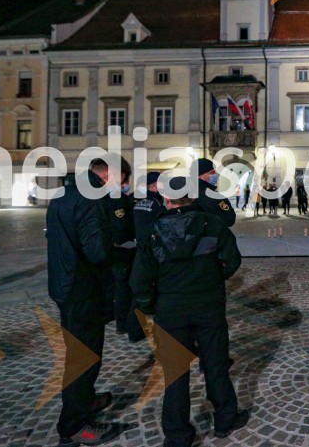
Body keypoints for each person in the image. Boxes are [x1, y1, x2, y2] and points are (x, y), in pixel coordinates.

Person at [132, 176, 249, 444]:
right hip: (208, 306)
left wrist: (150, 304)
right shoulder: (213, 224)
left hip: (170, 309)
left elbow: (139, 279)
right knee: (215, 364)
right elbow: (232, 260)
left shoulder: (153, 231)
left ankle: (177, 435)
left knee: (175, 372)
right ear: (192, 197)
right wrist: (215, 278)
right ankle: (225, 418)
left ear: (166, 199)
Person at [46, 162, 120, 445]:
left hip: (64, 284)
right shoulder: (91, 199)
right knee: (84, 357)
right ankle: (73, 426)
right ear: (104, 175)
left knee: (79, 351)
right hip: (83, 287)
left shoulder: (62, 195)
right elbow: (97, 251)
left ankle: (86, 400)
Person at [105, 157, 141, 338]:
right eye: (124, 179)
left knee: (121, 289)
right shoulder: (115, 198)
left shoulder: (114, 196)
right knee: (125, 289)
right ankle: (125, 324)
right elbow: (120, 226)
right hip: (123, 251)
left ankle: (123, 322)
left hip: (119, 250)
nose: (126, 183)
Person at [191, 158, 236, 227]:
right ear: (200, 176)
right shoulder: (210, 195)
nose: (215, 175)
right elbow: (229, 219)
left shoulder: (189, 191)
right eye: (212, 172)